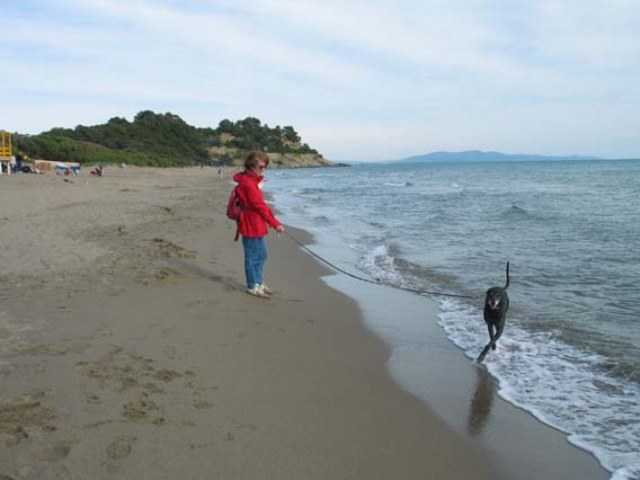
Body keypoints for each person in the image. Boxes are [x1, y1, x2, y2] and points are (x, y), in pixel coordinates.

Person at [233, 151, 284, 298]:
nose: (263, 169)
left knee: (261, 254)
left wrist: (272, 222)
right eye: (261, 166)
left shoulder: (252, 181)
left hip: (257, 222)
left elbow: (260, 205)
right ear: (251, 166)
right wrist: (275, 224)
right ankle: (252, 286)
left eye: (265, 166)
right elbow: (259, 206)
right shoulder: (248, 183)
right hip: (250, 223)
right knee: (252, 256)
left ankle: (259, 282)